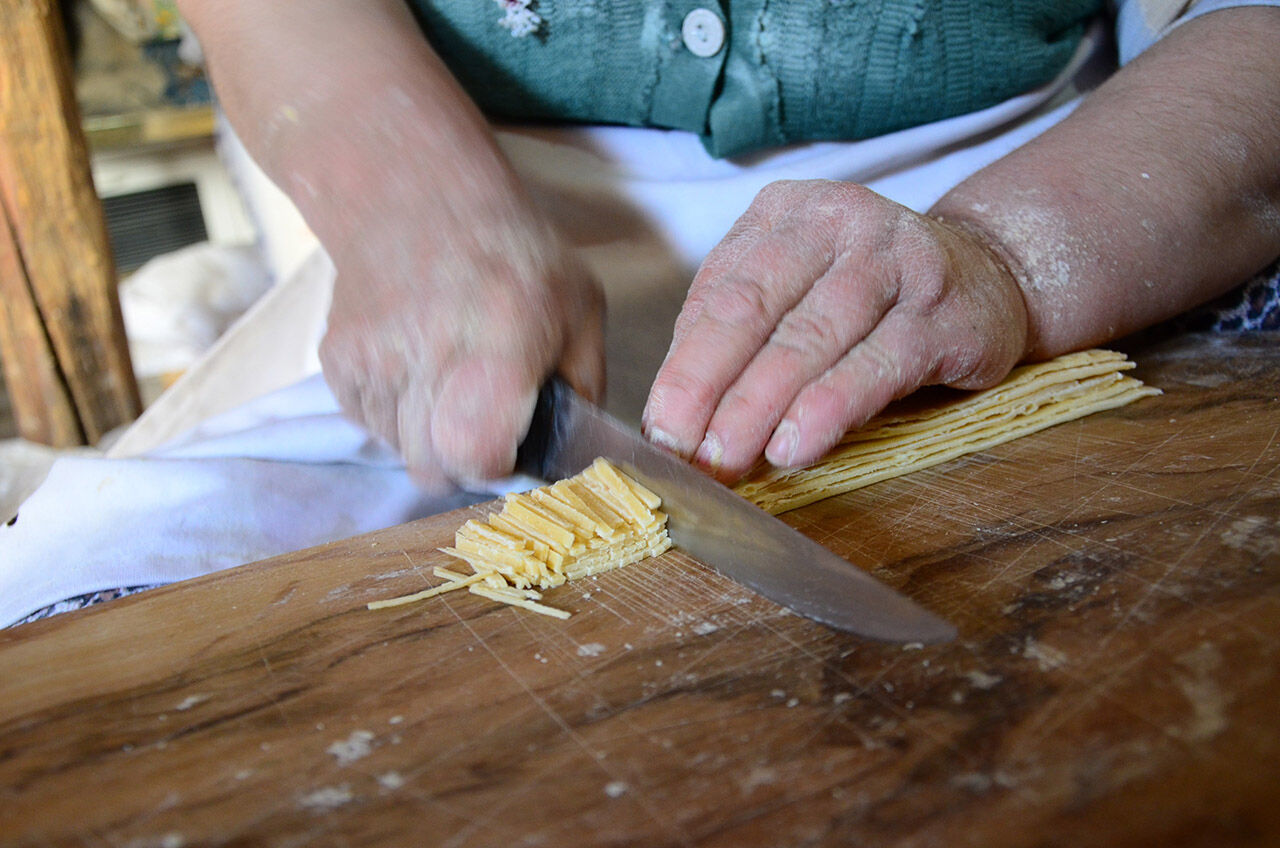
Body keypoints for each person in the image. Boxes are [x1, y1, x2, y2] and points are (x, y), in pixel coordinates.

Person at [174, 0, 1279, 490]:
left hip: (1093, 195)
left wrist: (999, 252)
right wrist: (405, 200)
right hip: (464, 216)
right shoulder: (427, 216)